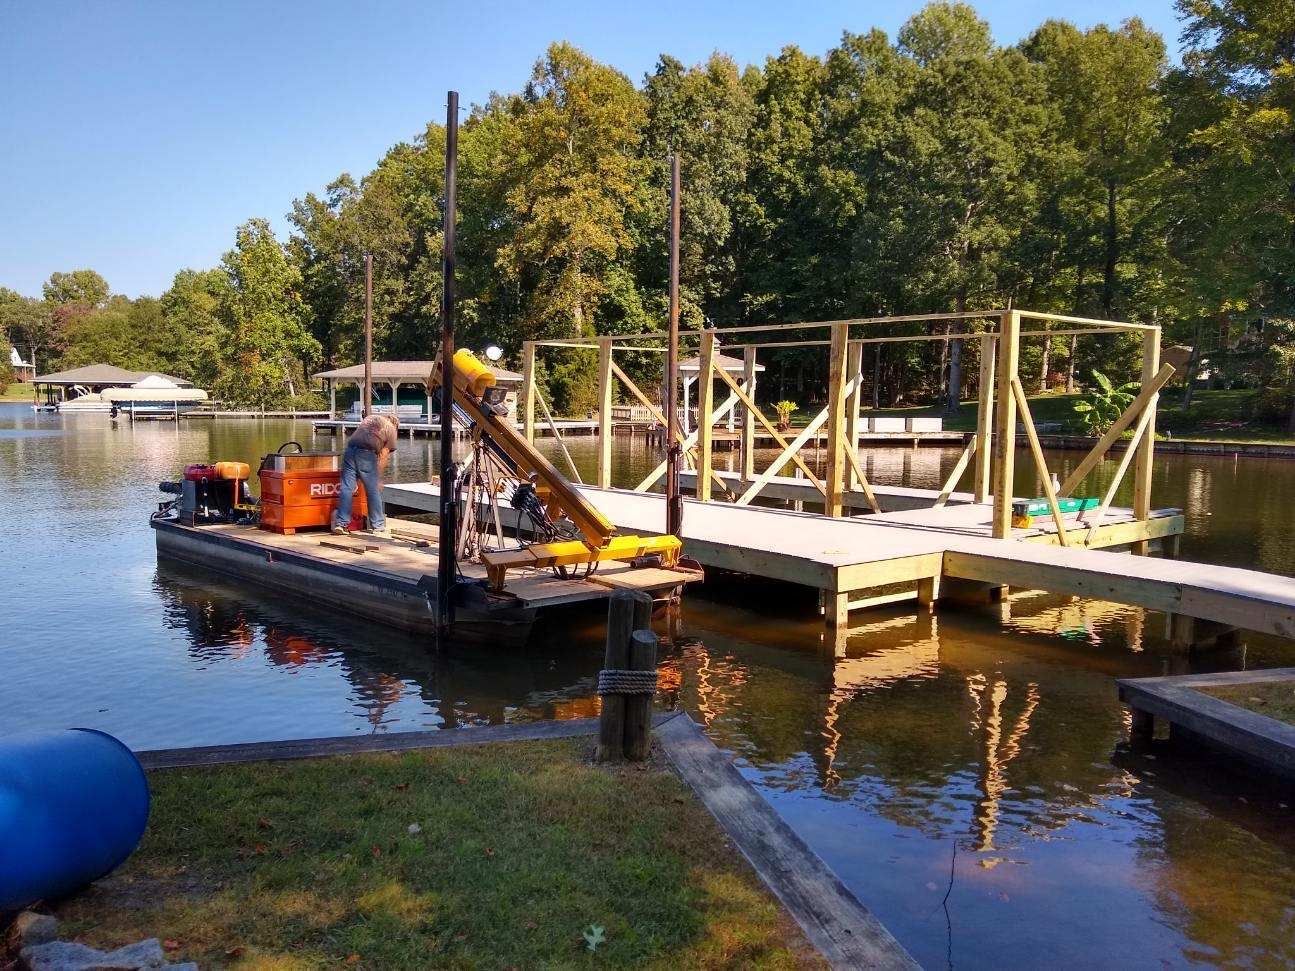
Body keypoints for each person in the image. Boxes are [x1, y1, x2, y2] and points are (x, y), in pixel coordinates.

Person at [332, 412, 399, 537]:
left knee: (347, 488)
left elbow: (363, 437)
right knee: (373, 490)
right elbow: (384, 455)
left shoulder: (370, 419)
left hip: (350, 451)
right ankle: (378, 526)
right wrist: (377, 478)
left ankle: (341, 524)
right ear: (396, 424)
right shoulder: (391, 429)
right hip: (366, 454)